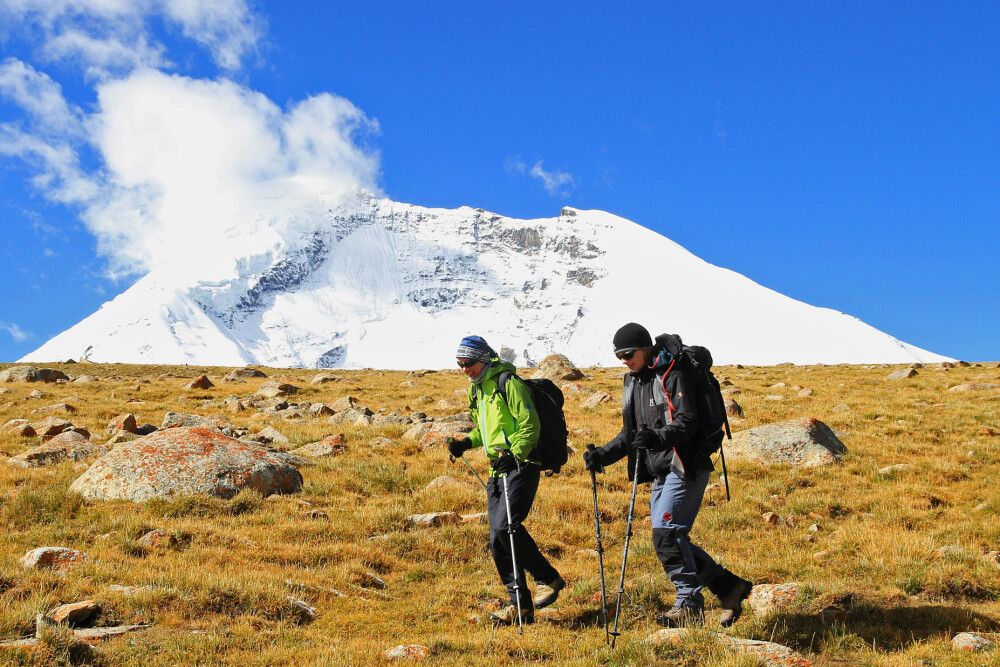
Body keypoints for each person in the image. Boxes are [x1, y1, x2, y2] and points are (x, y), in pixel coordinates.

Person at [583, 323, 752, 627]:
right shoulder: (634, 381)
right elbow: (632, 434)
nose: (624, 359)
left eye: (628, 352)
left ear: (645, 348)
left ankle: (688, 603)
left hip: (685, 463)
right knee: (670, 537)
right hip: (660, 468)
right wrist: (602, 456)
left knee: (667, 533)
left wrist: (657, 437)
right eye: (618, 354)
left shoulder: (672, 374)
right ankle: (729, 587)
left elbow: (687, 421)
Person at [447, 335, 564, 625]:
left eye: (469, 363)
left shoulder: (508, 384)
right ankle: (519, 605)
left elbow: (529, 425)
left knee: (505, 528)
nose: (465, 369)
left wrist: (515, 453)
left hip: (522, 464)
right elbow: (485, 432)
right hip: (497, 468)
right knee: (497, 537)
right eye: (460, 364)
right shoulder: (477, 391)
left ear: (484, 359)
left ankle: (547, 578)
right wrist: (465, 443)